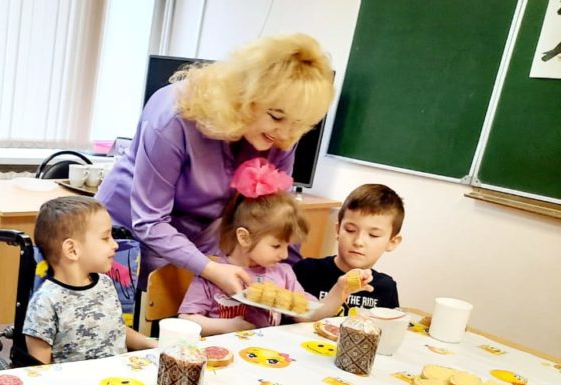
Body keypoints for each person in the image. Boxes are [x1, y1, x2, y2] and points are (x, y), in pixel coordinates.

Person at [97, 33, 335, 293]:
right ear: (245, 95)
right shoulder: (173, 116)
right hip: (125, 235)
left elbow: (276, 216)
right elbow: (149, 221)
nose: (286, 135)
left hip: (200, 245)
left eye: (299, 124)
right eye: (276, 117)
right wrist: (211, 269)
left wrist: (287, 278)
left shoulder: (283, 131)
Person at [178, 159, 371, 335]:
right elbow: (186, 320)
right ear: (244, 237)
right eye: (276, 245)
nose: (285, 254)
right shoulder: (214, 273)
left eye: (288, 245)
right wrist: (230, 326)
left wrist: (340, 289)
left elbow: (311, 314)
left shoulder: (283, 274)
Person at [23, 197, 157, 364]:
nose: (115, 245)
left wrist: (153, 344)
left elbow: (116, 329)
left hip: (119, 381)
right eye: (106, 238)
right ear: (72, 250)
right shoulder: (45, 303)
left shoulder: (105, 284)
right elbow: (39, 371)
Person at [293, 184, 404, 316]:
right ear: (338, 230)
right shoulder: (306, 271)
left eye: (373, 235)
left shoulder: (386, 287)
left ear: (392, 242)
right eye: (350, 230)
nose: (358, 242)